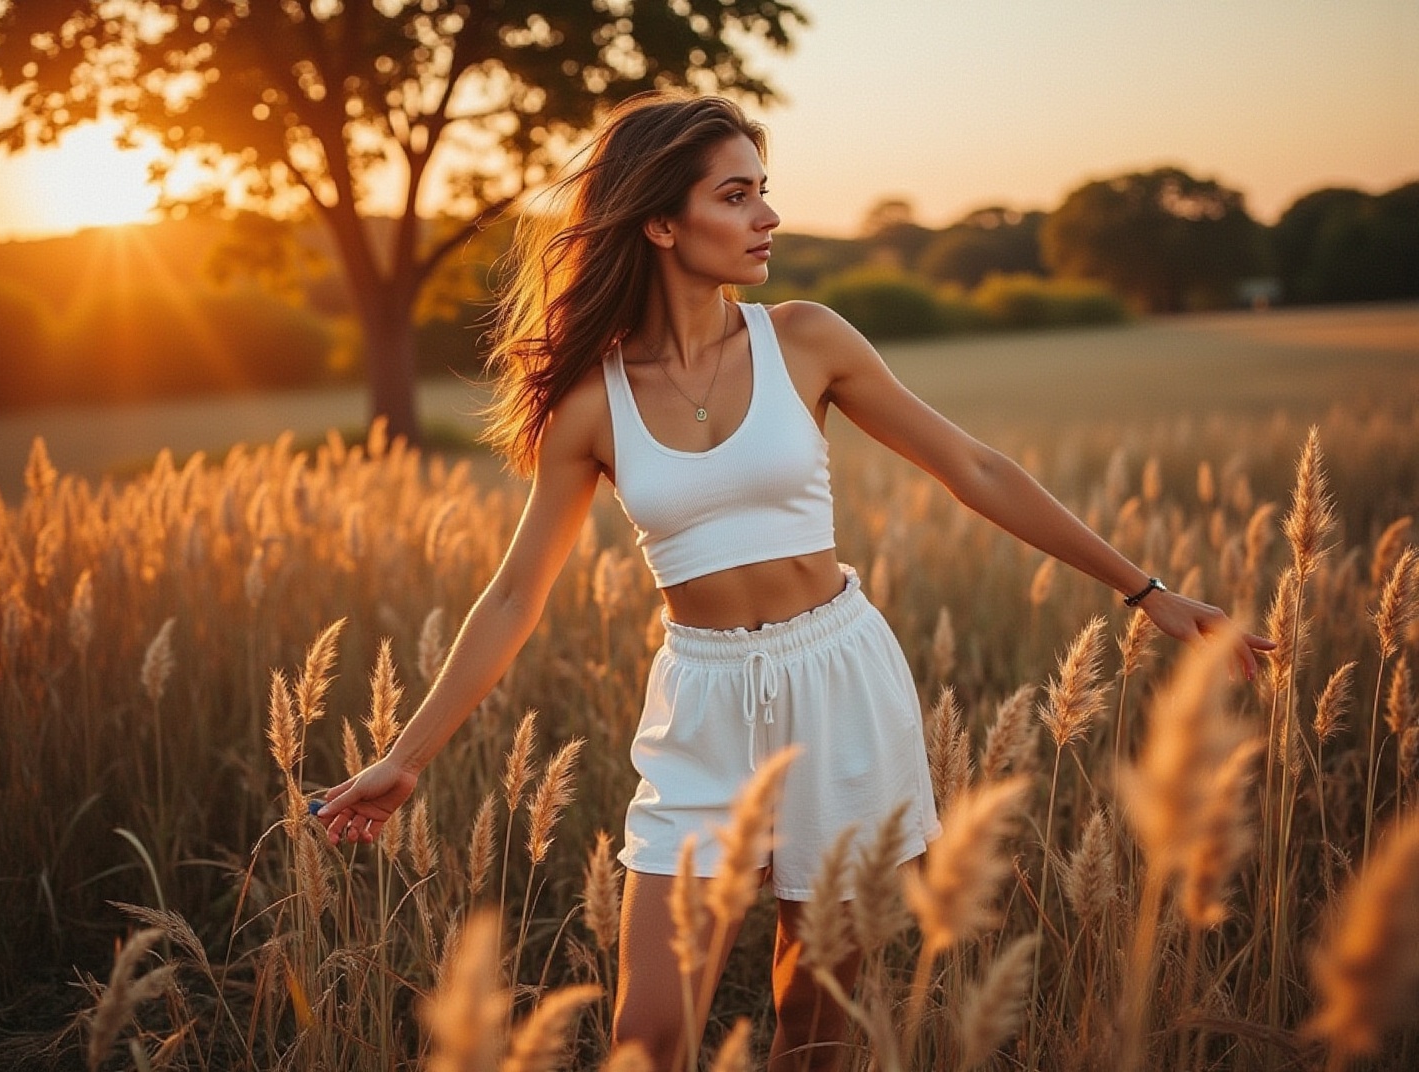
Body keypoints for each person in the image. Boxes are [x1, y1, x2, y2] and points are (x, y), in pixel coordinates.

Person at [316, 92, 1272, 1070]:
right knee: (647, 1036)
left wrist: (1149, 592)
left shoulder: (806, 339)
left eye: (763, 192)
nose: (767, 216)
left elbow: (972, 467)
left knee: (814, 1021)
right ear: (659, 221)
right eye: (736, 196)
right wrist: (408, 753)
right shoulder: (588, 405)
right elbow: (516, 594)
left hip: (839, 680)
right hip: (704, 704)